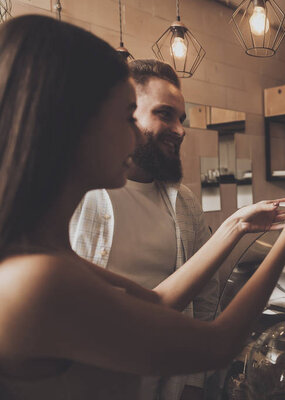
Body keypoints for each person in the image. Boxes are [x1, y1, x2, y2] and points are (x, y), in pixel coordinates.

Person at [0, 15, 285, 400]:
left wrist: (236, 225)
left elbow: (161, 301)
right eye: (127, 116)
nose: (134, 133)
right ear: (73, 124)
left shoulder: (42, 256)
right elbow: (217, 343)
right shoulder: (37, 281)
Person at [69, 59, 215, 400]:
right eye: (164, 114)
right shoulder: (77, 194)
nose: (180, 130)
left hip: (166, 385)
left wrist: (194, 383)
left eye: (182, 119)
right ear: (126, 113)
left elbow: (205, 299)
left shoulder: (185, 202)